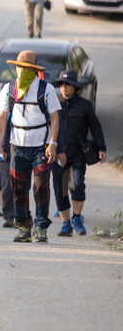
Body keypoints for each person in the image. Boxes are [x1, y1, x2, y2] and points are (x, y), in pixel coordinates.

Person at [0, 50, 61, 243]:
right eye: (20, 67)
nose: (23, 71)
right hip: (18, 146)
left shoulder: (45, 89)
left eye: (27, 68)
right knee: (18, 188)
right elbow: (1, 118)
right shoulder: (9, 88)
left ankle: (41, 227)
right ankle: (23, 226)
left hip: (41, 146)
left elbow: (55, 117)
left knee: (41, 186)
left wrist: (53, 143)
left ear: (34, 70)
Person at [51, 70, 107, 236]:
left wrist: (101, 147)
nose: (64, 87)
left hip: (78, 155)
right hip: (58, 155)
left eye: (67, 84)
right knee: (60, 191)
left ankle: (76, 217)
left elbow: (95, 126)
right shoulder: (54, 104)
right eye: (61, 84)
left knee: (78, 186)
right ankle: (65, 224)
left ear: (74, 87)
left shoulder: (84, 105)